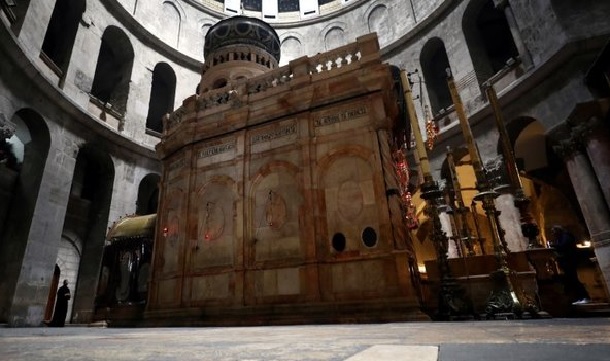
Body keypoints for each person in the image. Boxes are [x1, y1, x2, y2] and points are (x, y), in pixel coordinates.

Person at [549, 225, 590, 305]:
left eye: (553, 231)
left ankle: (584, 297)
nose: (552, 233)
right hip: (565, 261)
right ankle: (579, 297)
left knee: (574, 279)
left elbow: (564, 246)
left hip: (570, 261)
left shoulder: (566, 236)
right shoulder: (559, 238)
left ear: (558, 230)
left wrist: (553, 245)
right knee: (571, 280)